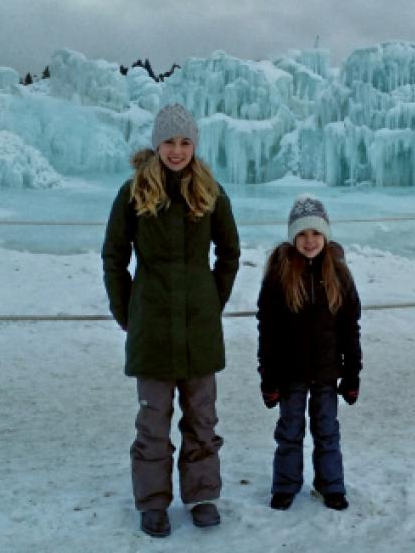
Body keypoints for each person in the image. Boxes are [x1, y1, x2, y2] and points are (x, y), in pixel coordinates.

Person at [101, 103, 240, 538]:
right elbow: (114, 258)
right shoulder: (131, 194)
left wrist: (210, 301)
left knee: (202, 418)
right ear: (156, 144)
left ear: (194, 146)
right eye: (169, 142)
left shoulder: (212, 193)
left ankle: (201, 497)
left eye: (185, 142)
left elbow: (230, 254)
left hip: (199, 328)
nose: (177, 151)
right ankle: (153, 502)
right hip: (152, 328)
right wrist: (127, 311)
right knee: (153, 421)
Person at [256, 195, 362, 512]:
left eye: (315, 233)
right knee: (289, 431)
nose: (309, 240)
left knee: (327, 430)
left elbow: (350, 328)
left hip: (327, 373)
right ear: (293, 237)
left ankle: (330, 485)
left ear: (325, 235)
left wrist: (352, 374)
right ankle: (286, 485)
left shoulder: (339, 274)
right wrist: (269, 377)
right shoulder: (279, 275)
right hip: (290, 374)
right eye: (302, 234)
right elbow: (268, 330)